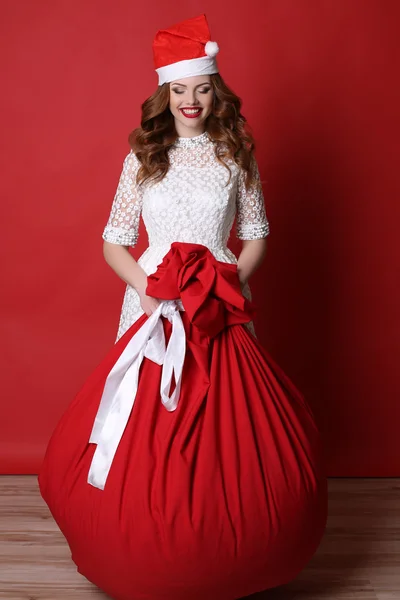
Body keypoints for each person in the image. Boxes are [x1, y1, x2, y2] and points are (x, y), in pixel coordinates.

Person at [38, 14, 328, 600]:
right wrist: (147, 291)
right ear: (164, 93)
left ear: (215, 91)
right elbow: (114, 241)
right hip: (154, 306)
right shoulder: (142, 155)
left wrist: (228, 285)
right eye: (179, 89)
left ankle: (220, 543)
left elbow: (257, 235)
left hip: (218, 304)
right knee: (150, 419)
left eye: (201, 88)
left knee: (223, 420)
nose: (190, 100)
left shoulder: (234, 154)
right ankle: (140, 541)